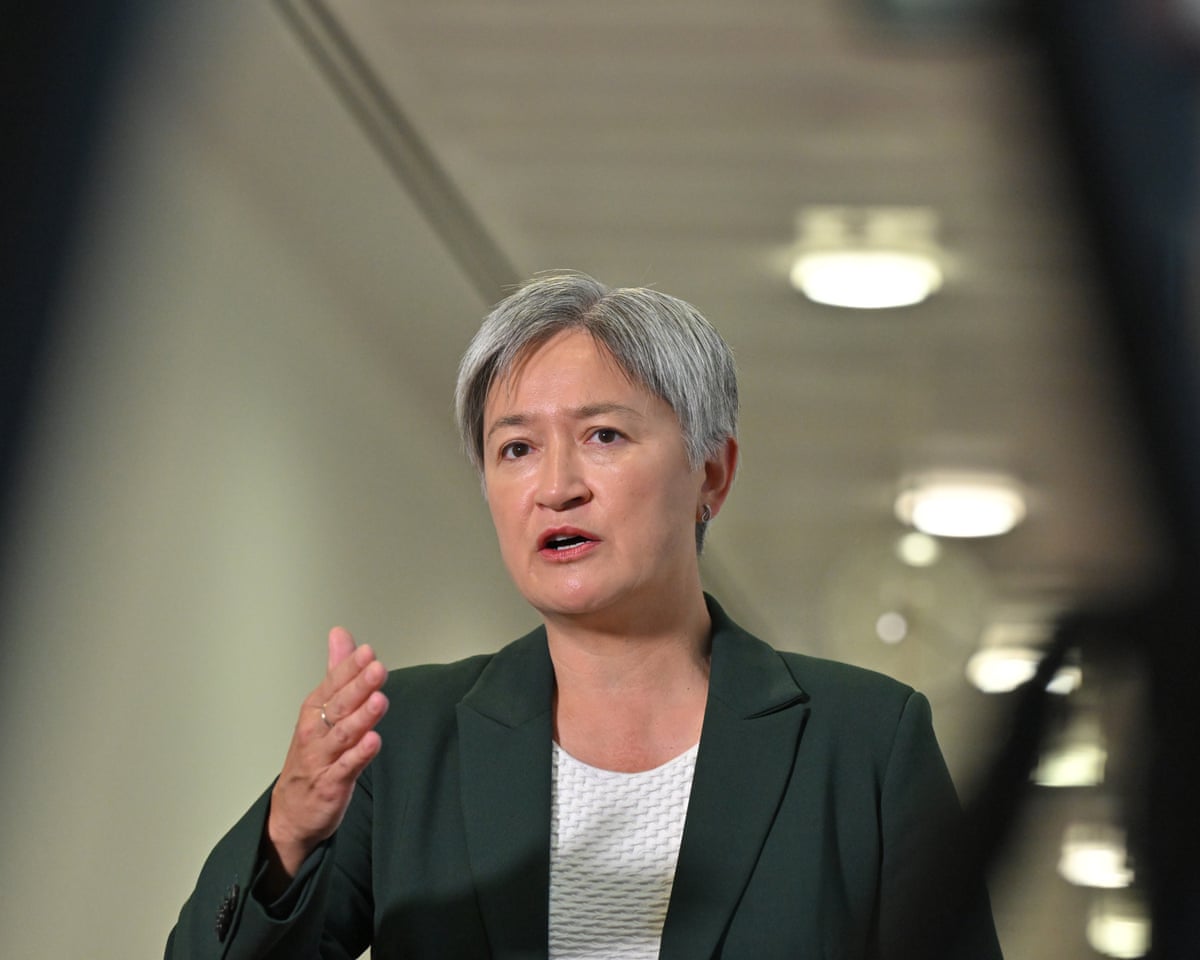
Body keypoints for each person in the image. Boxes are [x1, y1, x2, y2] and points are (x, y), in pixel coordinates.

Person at [166, 272, 1002, 960]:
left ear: (712, 473)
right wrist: (288, 834)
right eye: (516, 448)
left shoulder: (864, 744)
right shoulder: (407, 742)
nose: (556, 485)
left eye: (603, 436)